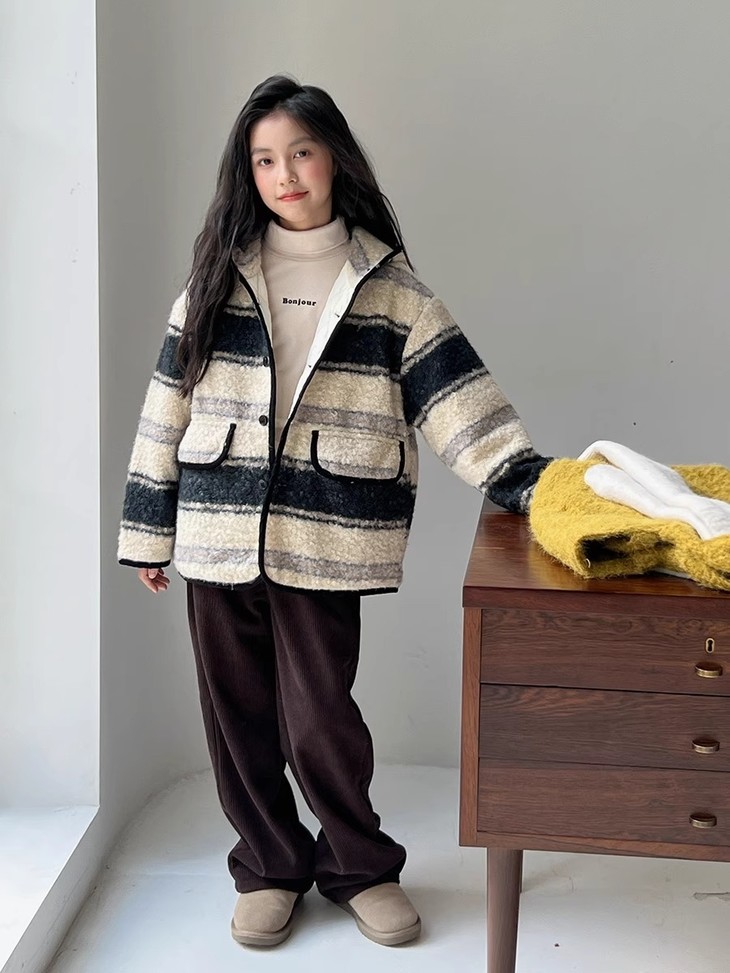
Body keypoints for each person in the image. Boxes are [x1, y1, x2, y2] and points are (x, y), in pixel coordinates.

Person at [117, 73, 553, 949]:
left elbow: (460, 403)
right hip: (216, 531)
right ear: (248, 173)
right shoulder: (213, 281)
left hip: (327, 535)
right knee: (236, 719)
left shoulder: (392, 290)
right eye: (264, 160)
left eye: (301, 152)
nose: (285, 174)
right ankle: (268, 865)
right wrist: (147, 529)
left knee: (321, 716)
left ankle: (360, 865)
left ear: (334, 159)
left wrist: (532, 483)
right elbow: (167, 406)